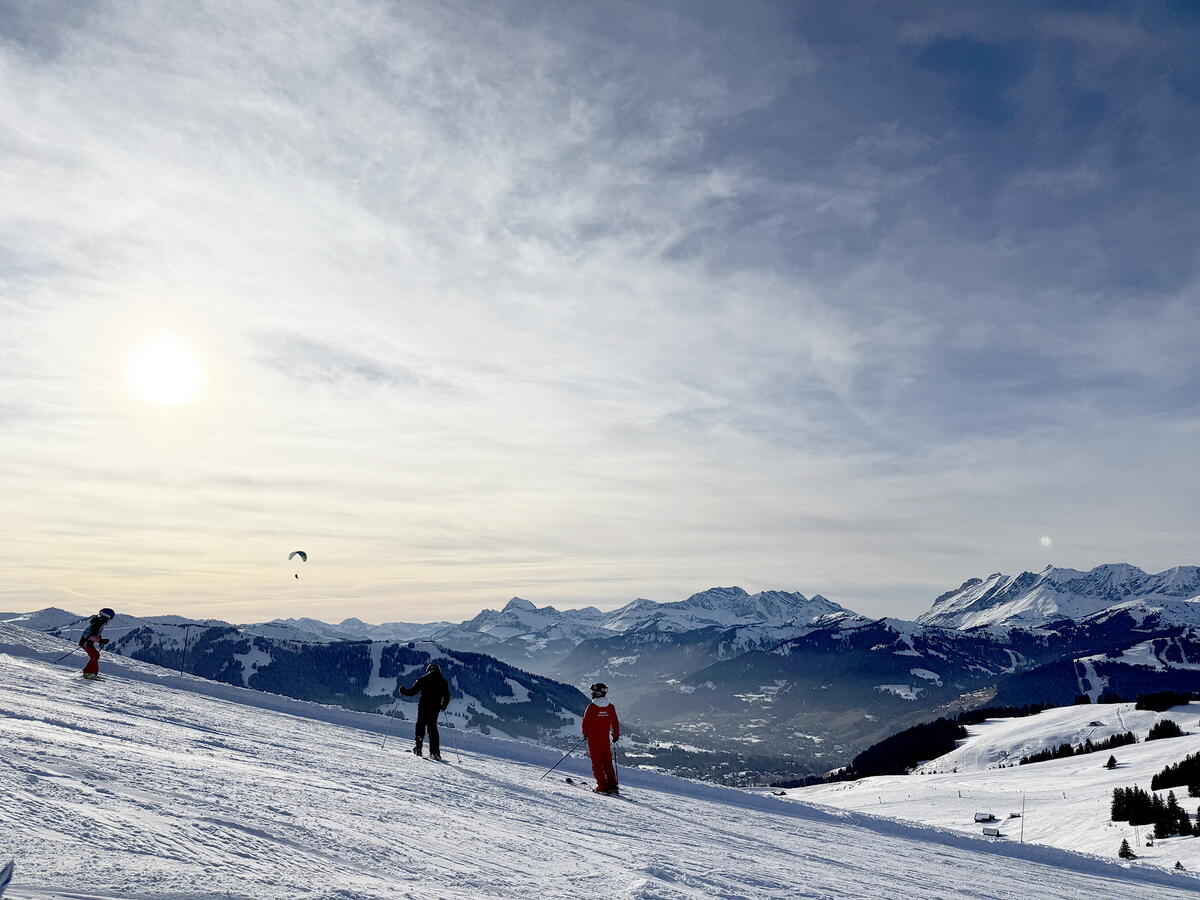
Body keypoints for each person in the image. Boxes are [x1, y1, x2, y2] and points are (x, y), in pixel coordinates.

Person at [397, 662, 451, 760]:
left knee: (420, 726)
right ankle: (435, 753)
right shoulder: (443, 682)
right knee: (432, 729)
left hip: (423, 707)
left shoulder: (422, 679)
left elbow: (412, 692)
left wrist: (403, 691)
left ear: (428, 670)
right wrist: (443, 706)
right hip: (435, 709)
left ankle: (418, 749)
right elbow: (447, 696)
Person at [582, 682, 620, 794]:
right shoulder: (610, 707)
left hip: (594, 741)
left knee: (597, 764)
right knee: (607, 763)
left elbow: (585, 723)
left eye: (593, 692)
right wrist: (616, 735)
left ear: (597, 693)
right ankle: (613, 786)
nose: (592, 694)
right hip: (605, 740)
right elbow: (615, 722)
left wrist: (585, 734)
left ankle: (602, 786)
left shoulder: (591, 708)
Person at [79, 608, 115, 681]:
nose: (109, 620)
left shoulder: (99, 622)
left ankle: (89, 673)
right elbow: (92, 636)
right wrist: (101, 640)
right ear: (106, 616)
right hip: (86, 643)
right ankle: (88, 673)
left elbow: (94, 635)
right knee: (95, 656)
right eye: (110, 618)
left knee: (95, 656)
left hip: (87, 642)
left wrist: (100, 640)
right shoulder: (98, 623)